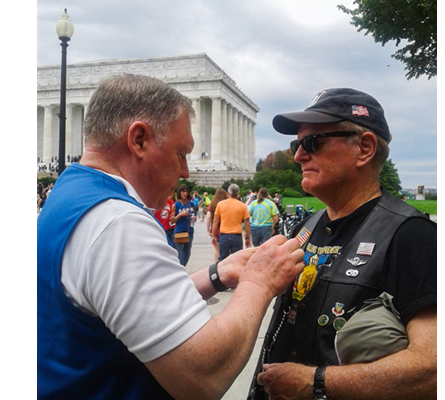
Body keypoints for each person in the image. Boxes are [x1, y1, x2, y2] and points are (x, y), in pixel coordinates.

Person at [37, 74, 306, 400]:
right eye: (181, 153)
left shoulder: (71, 193)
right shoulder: (118, 222)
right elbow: (204, 373)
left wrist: (216, 275)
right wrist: (259, 283)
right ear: (139, 140)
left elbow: (124, 306)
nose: (186, 173)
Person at [249, 88, 437, 399]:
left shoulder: (412, 236)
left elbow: (433, 368)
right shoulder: (305, 226)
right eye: (297, 144)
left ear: (364, 148)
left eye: (312, 142)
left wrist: (316, 382)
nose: (297, 155)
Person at [211, 183, 251, 261]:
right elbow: (247, 224)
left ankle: (222, 273)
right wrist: (248, 238)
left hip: (224, 236)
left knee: (223, 260)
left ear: (228, 193)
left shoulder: (220, 204)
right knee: (237, 260)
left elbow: (215, 221)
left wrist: (213, 236)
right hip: (237, 236)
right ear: (237, 194)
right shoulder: (242, 206)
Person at [170, 185, 196, 266]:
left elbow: (193, 215)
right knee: (180, 255)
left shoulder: (191, 205)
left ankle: (181, 269)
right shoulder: (175, 205)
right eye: (183, 191)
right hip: (179, 231)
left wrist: (194, 218)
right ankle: (181, 272)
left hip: (189, 231)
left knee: (187, 254)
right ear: (179, 193)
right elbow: (172, 220)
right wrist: (180, 214)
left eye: (186, 191)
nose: (185, 193)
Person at [206, 188, 228, 262]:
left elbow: (208, 217)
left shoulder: (212, 204)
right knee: (226, 250)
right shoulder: (227, 203)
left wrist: (208, 229)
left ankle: (217, 265)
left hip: (216, 230)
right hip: (226, 229)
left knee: (216, 249)